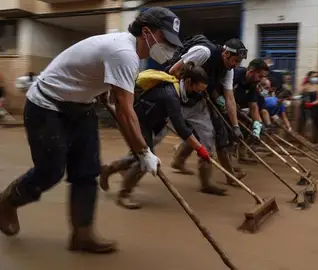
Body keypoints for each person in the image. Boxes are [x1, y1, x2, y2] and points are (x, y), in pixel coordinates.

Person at [0, 7, 182, 253]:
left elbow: (105, 84)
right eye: (165, 39)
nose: (168, 47)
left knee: (87, 171)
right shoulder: (123, 52)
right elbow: (125, 112)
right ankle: (7, 202)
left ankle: (82, 234)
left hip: (81, 106)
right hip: (47, 104)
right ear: (147, 32)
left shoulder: (129, 53)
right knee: (50, 171)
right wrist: (143, 152)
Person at [100, 62, 214, 209]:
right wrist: (200, 149)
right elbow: (181, 128)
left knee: (139, 156)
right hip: (136, 121)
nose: (197, 94)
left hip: (145, 123)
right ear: (188, 82)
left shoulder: (177, 90)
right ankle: (124, 194)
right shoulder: (171, 95)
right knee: (146, 160)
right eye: (197, 90)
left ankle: (109, 169)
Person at [168, 37, 247, 188]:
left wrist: (236, 126)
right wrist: (183, 91)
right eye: (235, 61)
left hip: (197, 101)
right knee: (155, 135)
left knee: (208, 134)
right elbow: (174, 71)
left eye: (238, 62)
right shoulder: (204, 52)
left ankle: (206, 182)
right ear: (226, 54)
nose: (236, 65)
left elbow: (230, 98)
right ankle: (129, 165)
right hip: (175, 97)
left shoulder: (228, 70)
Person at [233, 58, 269, 164]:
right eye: (260, 76)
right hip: (218, 103)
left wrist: (257, 127)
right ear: (251, 71)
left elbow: (253, 106)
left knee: (249, 124)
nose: (261, 79)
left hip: (236, 107)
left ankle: (242, 154)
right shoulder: (235, 74)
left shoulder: (253, 85)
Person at [297, 71, 318, 142]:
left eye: (316, 77)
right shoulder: (306, 85)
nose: (314, 78)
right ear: (309, 77)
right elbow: (301, 93)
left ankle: (314, 141)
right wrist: (303, 83)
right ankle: (301, 141)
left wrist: (311, 104)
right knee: (302, 122)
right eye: (313, 76)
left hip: (314, 108)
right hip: (304, 107)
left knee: (313, 124)